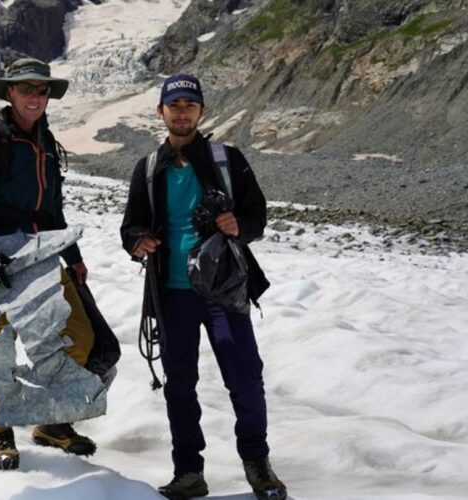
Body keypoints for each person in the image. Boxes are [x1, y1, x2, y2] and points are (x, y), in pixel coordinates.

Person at [120, 74, 287, 500]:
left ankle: (257, 465)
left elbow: (256, 215)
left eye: (189, 105)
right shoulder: (149, 168)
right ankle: (189, 472)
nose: (181, 112)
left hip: (223, 291)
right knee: (180, 386)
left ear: (201, 112)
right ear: (161, 112)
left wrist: (239, 226)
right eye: (173, 105)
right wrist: (139, 241)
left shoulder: (226, 158)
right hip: (172, 293)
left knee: (246, 378)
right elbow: (130, 226)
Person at [0, 58, 97, 471]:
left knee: (77, 335)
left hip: (38, 253)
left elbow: (50, 210)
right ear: (9, 93)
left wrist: (74, 257)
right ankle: (0, 431)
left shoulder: (45, 143)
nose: (35, 96)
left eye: (42, 90)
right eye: (26, 88)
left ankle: (51, 423)